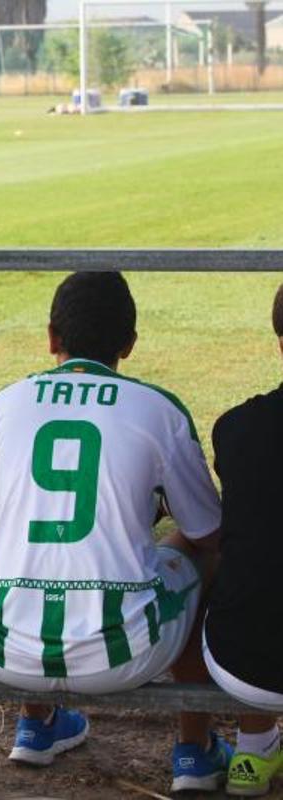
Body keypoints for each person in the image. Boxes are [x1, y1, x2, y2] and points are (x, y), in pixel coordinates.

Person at [0, 272, 232, 794]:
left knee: (24, 549)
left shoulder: (5, 402)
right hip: (119, 650)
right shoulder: (158, 407)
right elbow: (210, 532)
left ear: (51, 337)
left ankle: (35, 724)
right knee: (202, 558)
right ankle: (193, 753)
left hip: (2, 647)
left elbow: (1, 522)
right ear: (129, 344)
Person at [203, 284, 283, 797]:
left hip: (243, 667)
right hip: (247, 662)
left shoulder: (233, 428)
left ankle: (250, 753)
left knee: (190, 547)